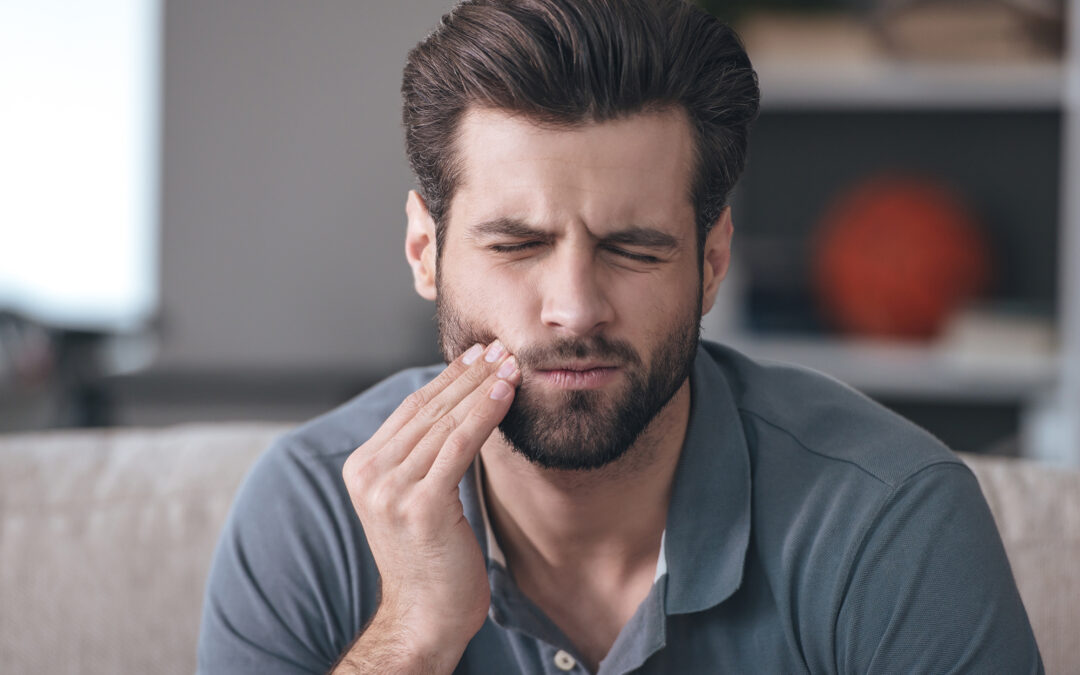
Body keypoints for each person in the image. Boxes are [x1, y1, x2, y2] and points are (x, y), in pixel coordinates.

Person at [197, 1, 1043, 673]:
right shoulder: (310, 511)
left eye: (633, 249)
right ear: (426, 251)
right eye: (516, 244)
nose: (573, 308)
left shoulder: (887, 516)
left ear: (712, 264)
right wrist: (412, 640)